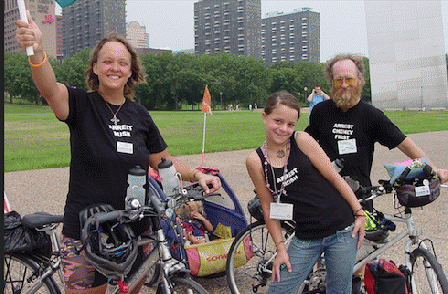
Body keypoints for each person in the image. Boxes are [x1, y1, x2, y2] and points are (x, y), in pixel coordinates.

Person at [15, 11, 221, 294]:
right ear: (96, 68)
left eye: (122, 63)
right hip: (87, 229)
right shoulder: (81, 105)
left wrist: (196, 173)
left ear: (130, 71)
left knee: (130, 288)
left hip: (133, 229)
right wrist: (37, 51)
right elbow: (49, 88)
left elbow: (163, 160)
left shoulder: (140, 115)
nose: (115, 67)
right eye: (108, 61)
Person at [246, 91, 366, 293]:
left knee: (339, 290)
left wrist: (359, 212)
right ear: (265, 116)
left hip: (341, 230)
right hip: (305, 236)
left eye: (290, 125)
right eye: (278, 121)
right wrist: (280, 248)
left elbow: (334, 177)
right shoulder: (255, 161)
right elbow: (268, 207)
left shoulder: (302, 140)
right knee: (278, 290)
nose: (284, 129)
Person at [305, 53, 448, 212]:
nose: (344, 85)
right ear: (331, 82)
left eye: (349, 79)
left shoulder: (372, 115)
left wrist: (433, 168)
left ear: (360, 80)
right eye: (338, 80)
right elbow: (305, 143)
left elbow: (404, 143)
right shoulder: (320, 112)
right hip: (324, 192)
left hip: (360, 196)